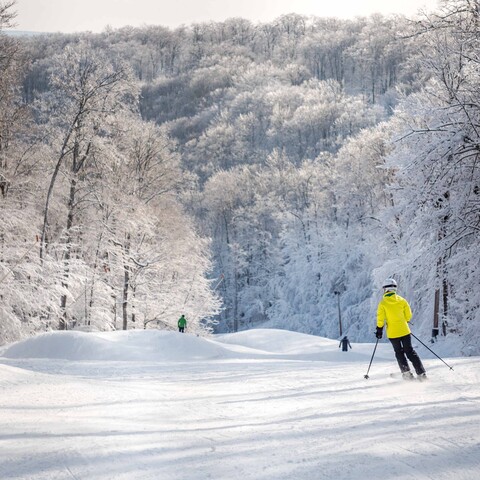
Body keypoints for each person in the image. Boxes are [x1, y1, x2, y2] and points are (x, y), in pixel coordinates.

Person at [376, 278, 427, 381]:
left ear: (385, 289)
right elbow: (408, 316)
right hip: (405, 331)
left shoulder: (383, 303)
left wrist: (379, 329)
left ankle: (407, 374)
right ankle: (421, 374)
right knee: (410, 351)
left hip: (393, 333)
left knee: (399, 353)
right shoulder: (402, 300)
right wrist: (404, 321)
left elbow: (380, 318)